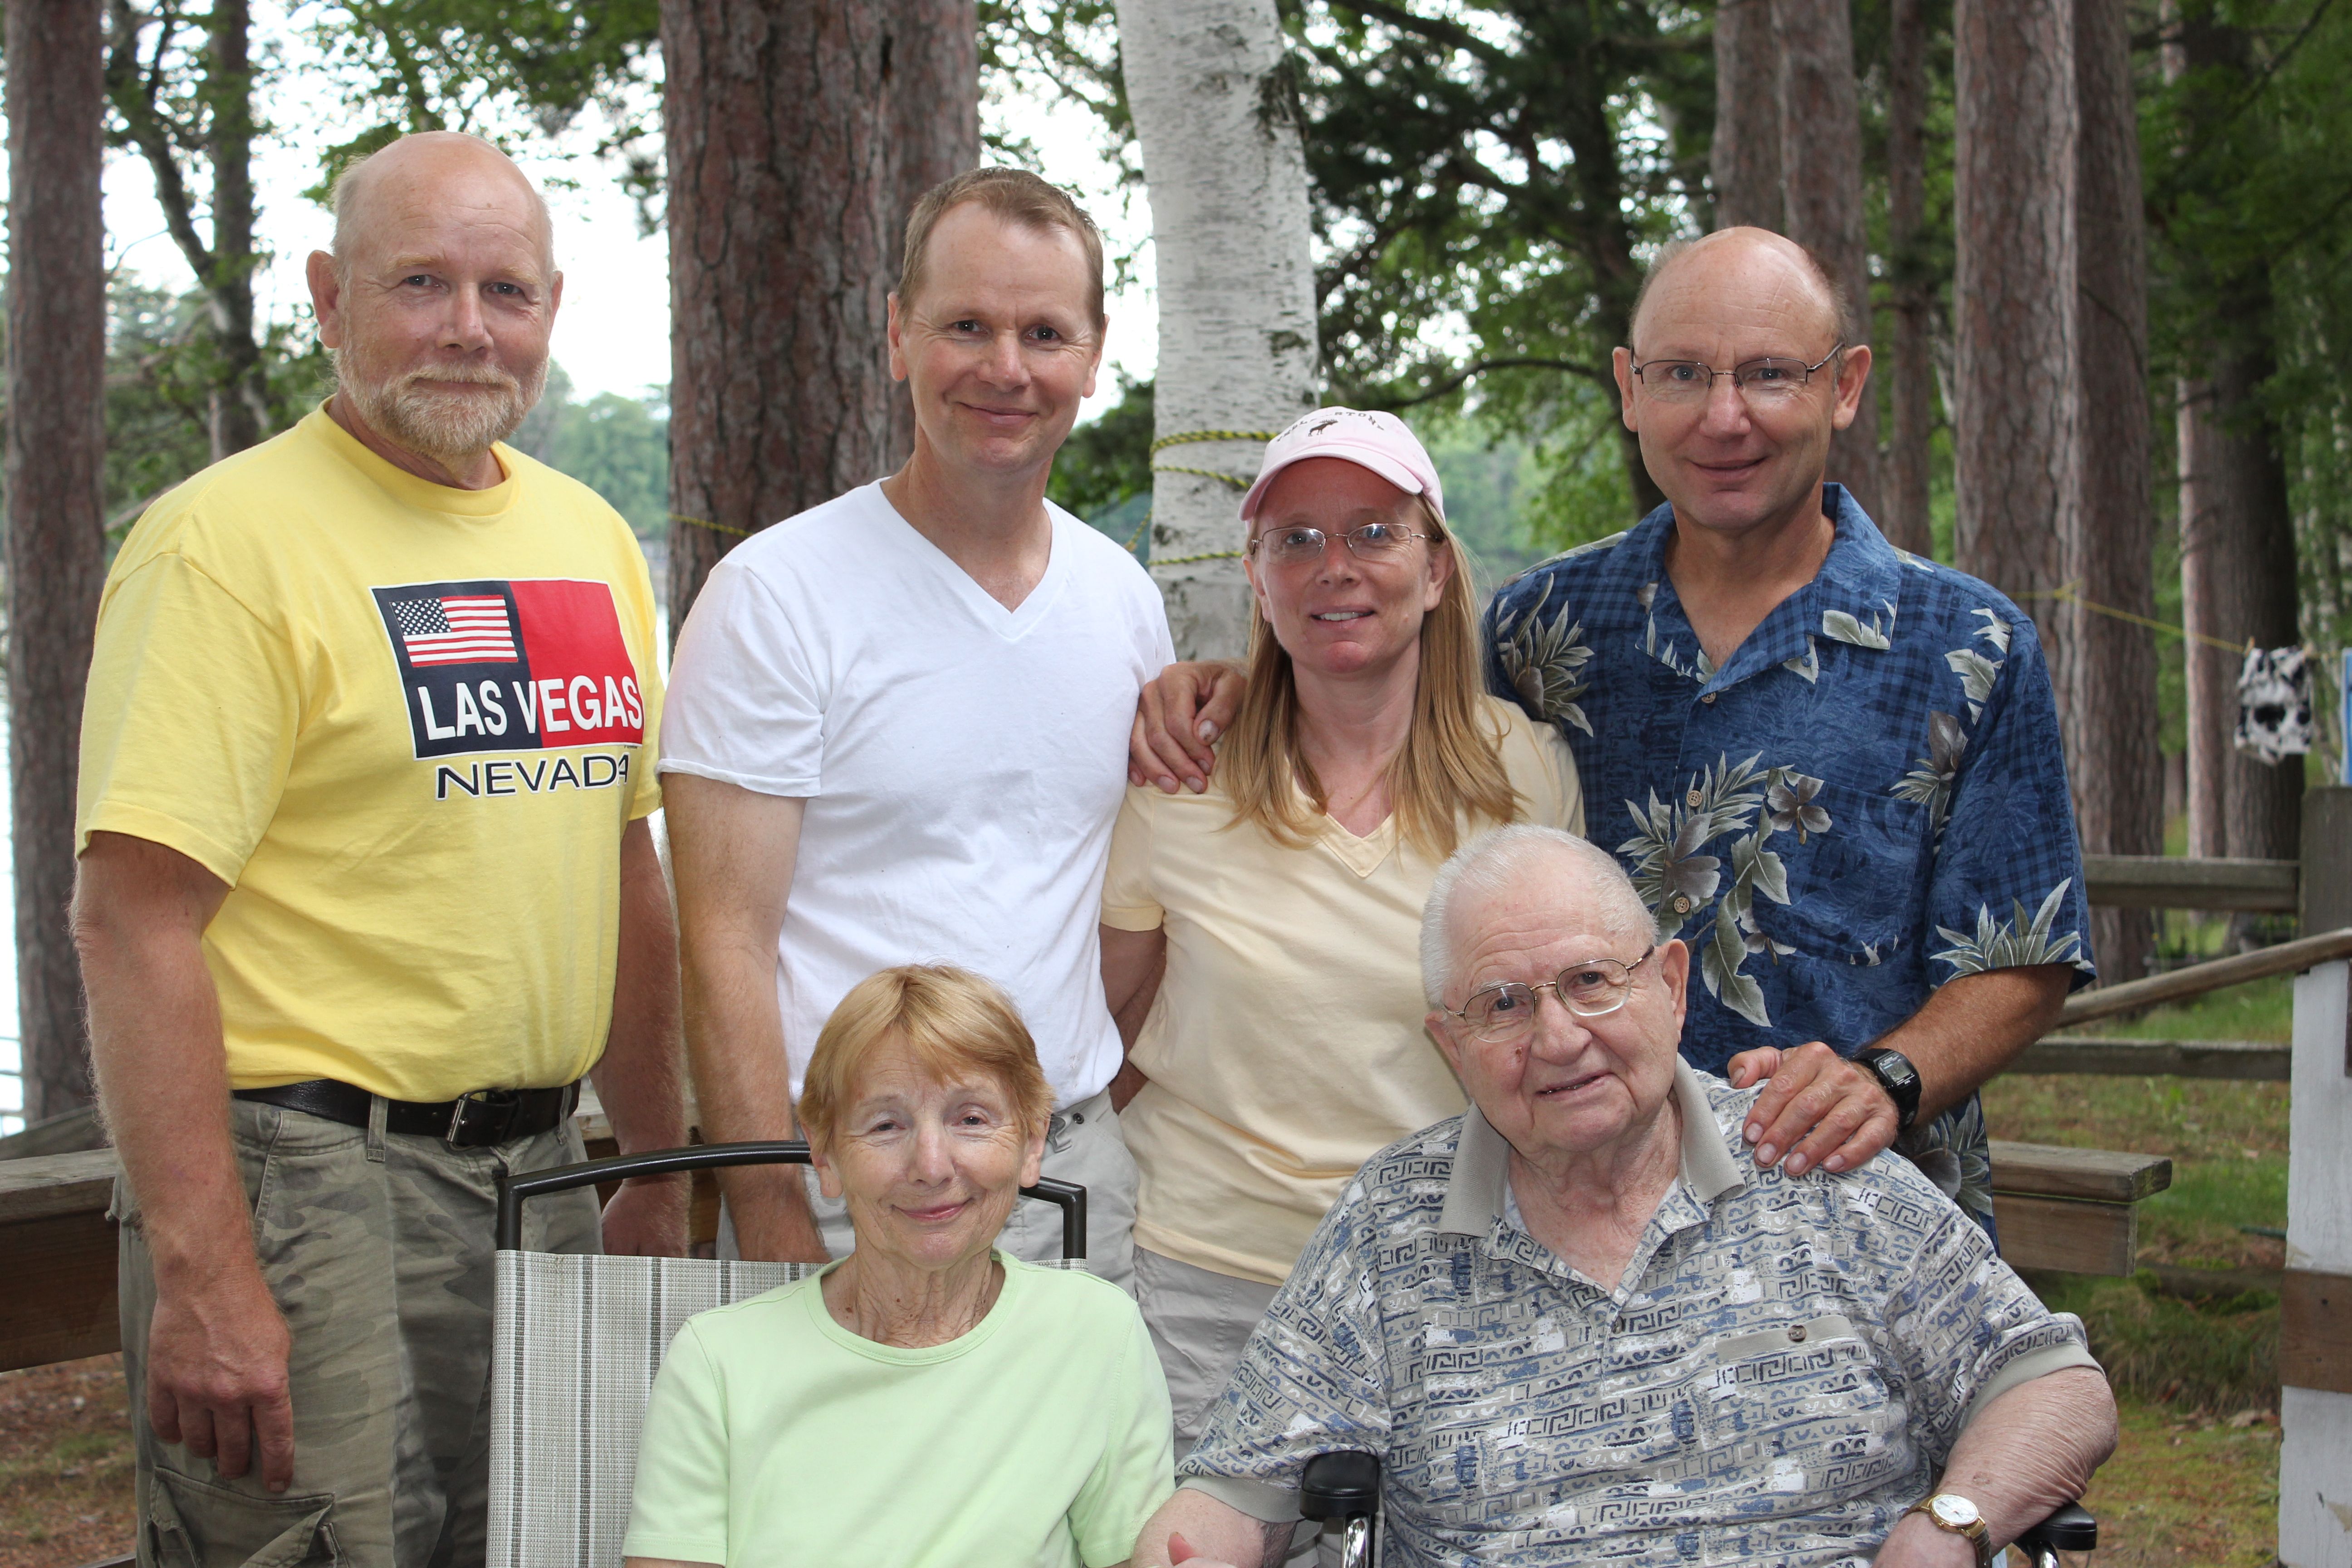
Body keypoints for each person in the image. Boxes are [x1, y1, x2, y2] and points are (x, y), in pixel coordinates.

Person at [1129, 227, 2092, 1232]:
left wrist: (1887, 1080)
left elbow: (2024, 954)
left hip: (1862, 1215)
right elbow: (1382, 718)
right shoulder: (1549, 627)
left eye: (1770, 374)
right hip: (1584, 1229)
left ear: (1844, 387)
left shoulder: (1968, 643)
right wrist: (1237, 689)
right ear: (1632, 390)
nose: (1725, 417)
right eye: (1683, 374)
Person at [73, 132, 686, 1568]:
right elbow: (132, 923)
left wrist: (657, 1158)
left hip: (544, 1174)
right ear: (328, 297)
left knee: (555, 1543)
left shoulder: (589, 539)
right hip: (308, 1186)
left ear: (550, 311)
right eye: (422, 282)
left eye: (507, 291)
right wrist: (206, 1272)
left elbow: (625, 870)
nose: (470, 329)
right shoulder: (223, 545)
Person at [1134, 826, 2117, 1568]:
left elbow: (2052, 1386)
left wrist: (1950, 1525)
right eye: (1503, 1005)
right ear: (1450, 1046)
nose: (1559, 1039)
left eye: (1593, 981)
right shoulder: (1393, 1223)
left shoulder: (1811, 1152)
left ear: (1673, 987)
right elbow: (1232, 1496)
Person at [660, 168, 1171, 1285]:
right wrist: (775, 1217)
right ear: (899, 337)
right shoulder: (776, 594)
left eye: (1045, 332)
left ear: (1092, 358)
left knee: (1091, 1471)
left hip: (1071, 1181)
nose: (1006, 368)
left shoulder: (1122, 598)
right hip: (854, 1190)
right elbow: (723, 946)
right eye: (966, 326)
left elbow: (1130, 888)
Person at [1098, 407, 1583, 1455]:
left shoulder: (1525, 775)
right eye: (1297, 539)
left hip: (1452, 1278)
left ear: (1439, 568)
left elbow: (1560, 1043)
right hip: (1207, 1286)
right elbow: (1112, 1033)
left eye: (1373, 531)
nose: (1335, 567)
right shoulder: (1181, 777)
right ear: (1256, 578)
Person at [622, 965, 1174, 1568]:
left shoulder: (1096, 1335)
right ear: (826, 1155)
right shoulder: (716, 1363)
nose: (932, 1166)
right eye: (887, 1125)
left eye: (971, 1119)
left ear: (1032, 1141)